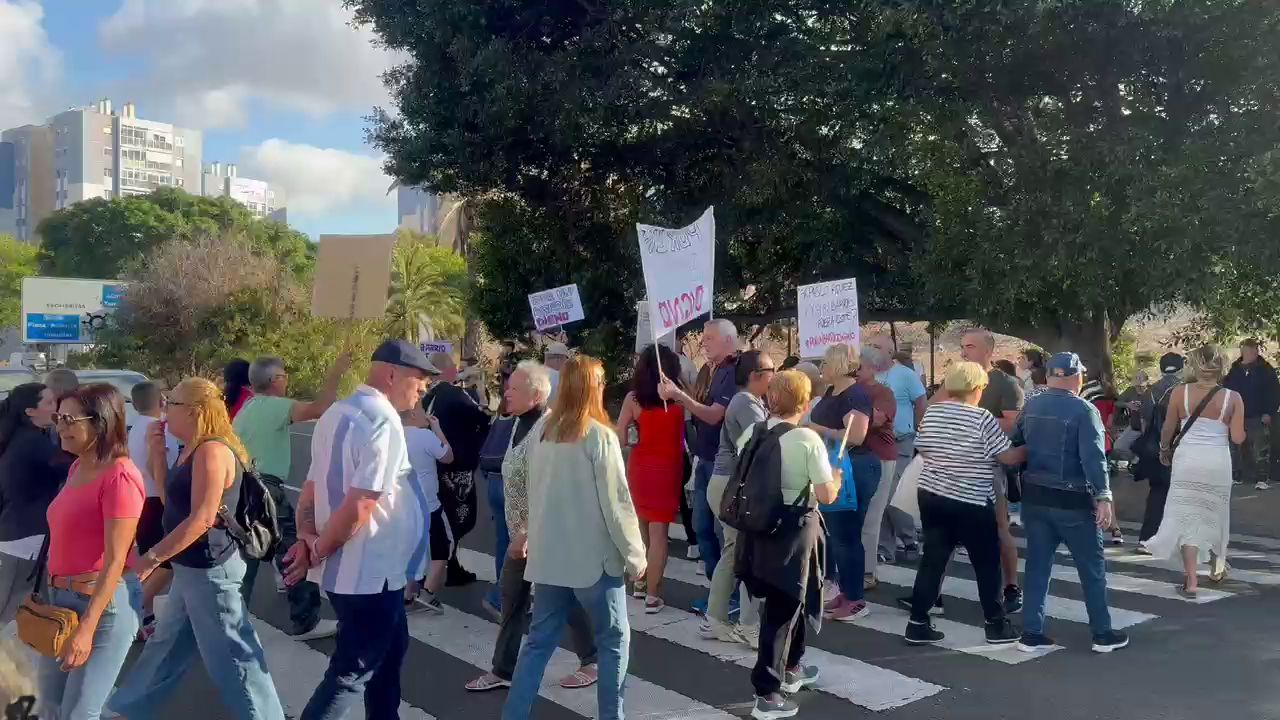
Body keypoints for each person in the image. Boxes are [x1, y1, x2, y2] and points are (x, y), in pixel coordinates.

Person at [109, 378, 285, 719]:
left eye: (169, 403)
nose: (163, 410)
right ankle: (129, 709)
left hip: (210, 569)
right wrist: (158, 459)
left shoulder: (212, 450)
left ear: (192, 411)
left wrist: (150, 559)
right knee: (167, 647)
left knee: (234, 657)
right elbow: (171, 502)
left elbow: (201, 519)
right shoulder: (191, 447)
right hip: (192, 568)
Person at [283, 340, 436, 720]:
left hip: (356, 574)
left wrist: (307, 539)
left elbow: (312, 486)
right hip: (371, 573)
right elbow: (362, 503)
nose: (423, 389)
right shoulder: (383, 421)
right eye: (419, 380)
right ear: (390, 374)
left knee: (389, 653)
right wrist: (318, 549)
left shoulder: (338, 413)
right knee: (352, 672)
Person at [501, 355, 646, 720]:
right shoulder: (599, 436)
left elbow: (533, 493)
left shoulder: (544, 434)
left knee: (536, 646)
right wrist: (635, 556)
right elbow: (617, 505)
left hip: (549, 560)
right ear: (593, 387)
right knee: (613, 642)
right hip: (592, 563)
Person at [466, 361, 599, 694]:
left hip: (546, 535)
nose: (505, 393)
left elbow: (552, 487)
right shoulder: (514, 425)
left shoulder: (550, 428)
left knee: (564, 600)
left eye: (513, 388)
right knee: (511, 601)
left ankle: (593, 660)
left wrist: (528, 532)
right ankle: (503, 670)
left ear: (536, 394)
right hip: (520, 537)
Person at [735, 370, 841, 720]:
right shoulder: (807, 440)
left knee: (791, 602)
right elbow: (825, 494)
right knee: (783, 610)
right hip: (794, 530)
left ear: (770, 399)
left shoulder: (754, 431)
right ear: (806, 403)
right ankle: (766, 692)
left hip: (757, 529)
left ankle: (792, 666)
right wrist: (836, 479)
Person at [38, 384, 144, 719]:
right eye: (58, 418)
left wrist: (87, 627)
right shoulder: (77, 466)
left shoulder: (120, 476)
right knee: (50, 705)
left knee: (78, 713)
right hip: (61, 602)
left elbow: (116, 559)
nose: (61, 427)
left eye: (69, 419)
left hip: (102, 607)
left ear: (101, 422)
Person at [1012, 353, 1129, 654]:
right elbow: (1093, 459)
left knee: (1038, 567)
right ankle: (1102, 633)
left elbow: (1016, 444)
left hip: (1036, 496)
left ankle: (1031, 632)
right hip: (1073, 499)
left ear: (1050, 376)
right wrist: (1103, 498)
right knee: (1091, 569)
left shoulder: (1031, 406)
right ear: (1076, 377)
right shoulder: (1084, 410)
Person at [903, 362, 1026, 646]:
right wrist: (1028, 449)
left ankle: (918, 622)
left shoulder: (932, 413)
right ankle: (995, 624)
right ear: (976, 388)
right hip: (971, 500)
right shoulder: (982, 418)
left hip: (932, 495)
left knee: (933, 561)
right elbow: (1006, 457)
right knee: (986, 564)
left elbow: (922, 447)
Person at [232, 352, 351, 640]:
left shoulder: (247, 408)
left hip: (242, 488)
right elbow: (320, 408)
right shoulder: (276, 406)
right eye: (285, 376)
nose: (287, 381)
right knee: (296, 553)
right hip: (266, 489)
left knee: (247, 555)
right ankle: (305, 619)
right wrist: (335, 372)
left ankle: (232, 620)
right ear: (275, 380)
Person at [1146, 345, 1244, 598]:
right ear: (1221, 367)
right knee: (1216, 513)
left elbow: (1168, 428)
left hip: (1187, 460)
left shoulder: (1180, 393)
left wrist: (1164, 449)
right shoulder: (1233, 398)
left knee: (1187, 517)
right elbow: (1237, 437)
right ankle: (1217, 565)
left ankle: (1190, 580)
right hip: (1217, 461)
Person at [947, 329, 1024, 613]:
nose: (964, 352)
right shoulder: (956, 379)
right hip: (955, 465)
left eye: (970, 346)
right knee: (947, 533)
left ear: (988, 351)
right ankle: (932, 592)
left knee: (999, 528)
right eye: (963, 346)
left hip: (990, 466)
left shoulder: (1006, 384)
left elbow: (1013, 424)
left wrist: (974, 421)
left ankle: (1011, 587)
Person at [659, 319, 738, 592]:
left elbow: (715, 415)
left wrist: (679, 395)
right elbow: (700, 401)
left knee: (717, 530)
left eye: (709, 338)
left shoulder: (733, 371)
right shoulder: (707, 369)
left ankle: (727, 596)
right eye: (703, 338)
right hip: (704, 457)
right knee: (701, 526)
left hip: (723, 461)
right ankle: (718, 592)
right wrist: (678, 388)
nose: (703, 343)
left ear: (728, 340)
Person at [703, 350, 774, 646]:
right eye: (772, 369)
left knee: (735, 552)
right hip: (734, 485)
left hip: (728, 484)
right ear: (756, 375)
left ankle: (717, 618)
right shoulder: (746, 403)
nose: (775, 375)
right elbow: (759, 448)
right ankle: (745, 624)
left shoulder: (747, 401)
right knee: (746, 554)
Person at [615, 345, 686, 612]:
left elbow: (621, 438)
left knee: (641, 530)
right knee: (660, 535)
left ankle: (639, 583)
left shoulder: (633, 398)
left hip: (640, 467)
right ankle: (654, 594)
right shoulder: (679, 397)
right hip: (668, 469)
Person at [805, 345, 872, 615]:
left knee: (847, 536)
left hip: (853, 468)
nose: (822, 369)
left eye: (826, 363)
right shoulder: (835, 392)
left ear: (838, 364)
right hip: (835, 466)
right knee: (837, 535)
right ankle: (846, 592)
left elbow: (856, 436)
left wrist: (817, 429)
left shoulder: (854, 395)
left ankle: (855, 598)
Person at [425, 352, 493, 586]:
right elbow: (482, 418)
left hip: (434, 465)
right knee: (461, 519)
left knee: (445, 517)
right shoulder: (455, 394)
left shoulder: (428, 395)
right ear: (448, 371)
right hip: (457, 467)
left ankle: (447, 564)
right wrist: (481, 396)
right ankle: (446, 566)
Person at [0, 383, 61, 625]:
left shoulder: (21, 438)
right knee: (11, 611)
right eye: (48, 403)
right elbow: (71, 468)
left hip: (17, 533)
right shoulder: (34, 444)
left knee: (36, 608)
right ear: (30, 411)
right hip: (26, 538)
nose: (55, 408)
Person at [126, 381, 180, 640]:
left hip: (140, 500)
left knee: (151, 559)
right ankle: (141, 609)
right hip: (158, 499)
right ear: (161, 401)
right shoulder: (160, 429)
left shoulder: (134, 428)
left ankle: (143, 614)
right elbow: (157, 464)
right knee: (167, 560)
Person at [869, 334, 927, 566]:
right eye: (870, 345)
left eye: (877, 346)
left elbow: (921, 403)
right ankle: (885, 547)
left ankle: (909, 538)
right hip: (875, 442)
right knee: (879, 495)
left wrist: (920, 433)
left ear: (890, 353)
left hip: (901, 441)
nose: (872, 349)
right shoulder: (869, 375)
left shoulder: (905, 375)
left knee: (894, 493)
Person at [402, 406, 454, 615]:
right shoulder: (424, 436)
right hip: (427, 504)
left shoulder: (393, 434)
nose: (428, 414)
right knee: (442, 548)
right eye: (424, 411)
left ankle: (407, 596)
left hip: (402, 504)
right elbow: (448, 456)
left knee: (411, 551)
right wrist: (437, 429)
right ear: (413, 414)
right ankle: (427, 594)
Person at [853, 346, 897, 595]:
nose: (854, 371)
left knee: (872, 516)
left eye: (858, 366)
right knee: (858, 516)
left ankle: (868, 572)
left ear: (872, 368)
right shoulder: (853, 390)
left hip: (880, 457)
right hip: (858, 457)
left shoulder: (882, 392)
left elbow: (878, 419)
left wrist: (847, 418)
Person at [1134, 353, 1184, 548]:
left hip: (1155, 449)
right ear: (1181, 368)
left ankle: (1147, 539)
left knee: (1157, 493)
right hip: (1179, 448)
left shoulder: (1151, 391)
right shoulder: (1186, 390)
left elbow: (1145, 422)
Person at [1224, 338, 1279, 489]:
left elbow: (1274, 392)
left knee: (1260, 448)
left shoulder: (1266, 370)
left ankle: (1262, 478)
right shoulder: (1234, 370)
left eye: (1251, 351)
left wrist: (1269, 412)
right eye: (1245, 351)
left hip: (1258, 414)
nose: (1248, 354)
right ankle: (1237, 476)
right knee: (1235, 447)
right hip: (1237, 415)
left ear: (1256, 351)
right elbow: (1226, 390)